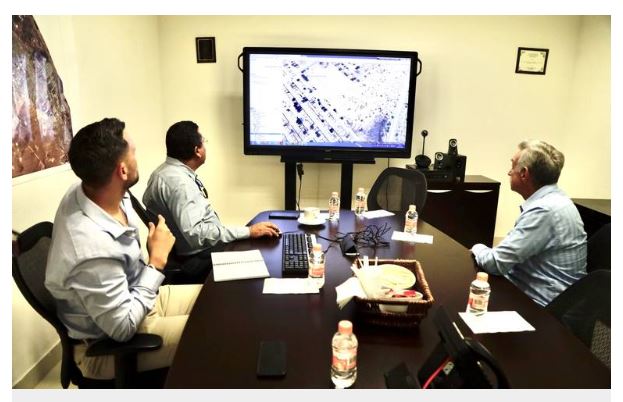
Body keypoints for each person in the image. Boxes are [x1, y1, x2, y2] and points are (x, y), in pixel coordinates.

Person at [45, 118, 202, 380]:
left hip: (139, 298)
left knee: (220, 299)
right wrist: (156, 262)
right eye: (134, 152)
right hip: (108, 347)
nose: (138, 157)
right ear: (123, 171)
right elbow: (122, 328)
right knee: (218, 330)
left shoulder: (94, 188)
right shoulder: (90, 249)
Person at [142, 120, 280, 280]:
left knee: (254, 247)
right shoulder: (180, 184)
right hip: (195, 260)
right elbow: (195, 235)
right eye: (204, 141)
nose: (205, 146)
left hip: (188, 253)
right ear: (197, 151)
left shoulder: (162, 172)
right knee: (265, 263)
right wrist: (248, 231)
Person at [470, 140, 587, 307]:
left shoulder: (545, 210)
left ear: (524, 173)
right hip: (549, 294)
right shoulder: (559, 200)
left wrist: (477, 247)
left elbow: (496, 263)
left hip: (540, 306)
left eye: (512, 166)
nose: (509, 172)